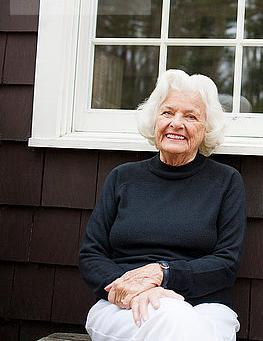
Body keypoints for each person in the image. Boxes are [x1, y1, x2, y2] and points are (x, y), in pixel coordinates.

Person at [79, 69, 246, 341]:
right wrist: (135, 289)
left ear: (207, 128)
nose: (176, 123)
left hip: (206, 307)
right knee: (171, 318)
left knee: (184, 324)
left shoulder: (226, 182)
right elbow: (91, 255)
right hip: (123, 305)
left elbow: (226, 264)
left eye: (190, 116)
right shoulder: (123, 178)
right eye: (167, 113)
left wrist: (163, 274)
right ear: (154, 119)